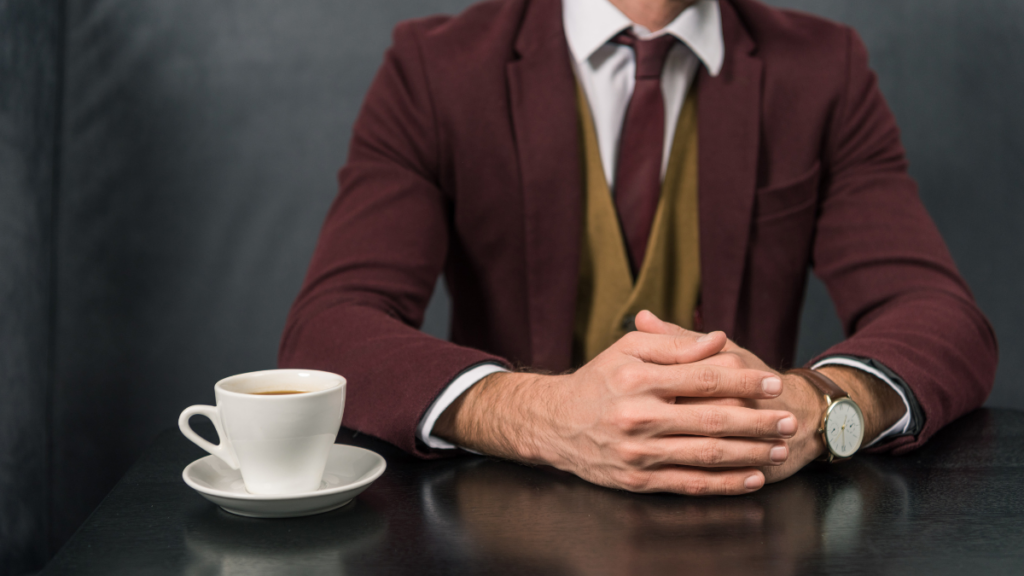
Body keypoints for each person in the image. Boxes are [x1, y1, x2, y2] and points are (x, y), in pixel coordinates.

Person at [279, 0, 997, 495]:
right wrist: (536, 415)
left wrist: (820, 409)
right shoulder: (434, 70)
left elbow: (942, 317)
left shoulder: (822, 70)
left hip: (750, 523)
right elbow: (331, 327)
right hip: (500, 529)